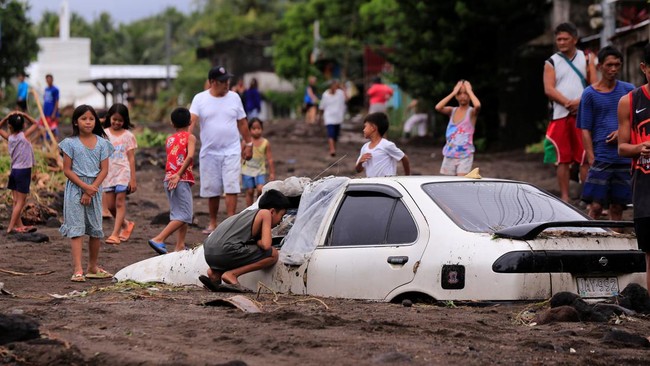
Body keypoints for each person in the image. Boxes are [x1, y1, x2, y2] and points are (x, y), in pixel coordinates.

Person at [189, 65, 253, 234]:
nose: (226, 84)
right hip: (209, 151)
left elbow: (242, 122)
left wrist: (249, 144)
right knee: (213, 189)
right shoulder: (200, 99)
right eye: (223, 81)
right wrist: (184, 141)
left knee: (232, 186)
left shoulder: (234, 97)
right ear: (212, 82)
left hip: (231, 150)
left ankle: (230, 222)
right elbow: (192, 121)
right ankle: (213, 223)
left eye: (227, 81)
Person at [577, 46, 634, 222]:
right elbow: (585, 128)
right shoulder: (589, 94)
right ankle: (590, 243)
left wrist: (622, 132)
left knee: (618, 207)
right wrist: (591, 157)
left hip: (624, 156)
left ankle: (616, 246)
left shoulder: (629, 90)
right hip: (601, 156)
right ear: (600, 66)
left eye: (617, 65)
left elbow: (638, 120)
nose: (613, 69)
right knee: (595, 206)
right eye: (609, 65)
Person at [59, 105, 114, 282]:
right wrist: (84, 187)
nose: (88, 122)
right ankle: (78, 269)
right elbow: (67, 170)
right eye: (84, 118)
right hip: (75, 189)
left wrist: (91, 190)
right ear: (76, 121)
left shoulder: (103, 143)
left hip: (95, 190)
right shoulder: (70, 143)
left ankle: (92, 267)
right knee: (76, 230)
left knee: (95, 230)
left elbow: (104, 170)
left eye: (91, 118)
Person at [543, 22, 596, 202]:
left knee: (584, 157)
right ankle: (565, 197)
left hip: (583, 114)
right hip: (559, 115)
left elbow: (594, 85)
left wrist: (580, 102)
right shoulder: (551, 62)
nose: (562, 42)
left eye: (565, 39)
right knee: (562, 158)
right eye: (559, 39)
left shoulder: (587, 58)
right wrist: (567, 102)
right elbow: (549, 89)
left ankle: (585, 197)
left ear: (575, 39)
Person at [199, 189, 290, 291]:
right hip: (225, 250)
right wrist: (259, 242)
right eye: (281, 216)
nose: (280, 222)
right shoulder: (265, 213)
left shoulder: (246, 214)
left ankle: (215, 273)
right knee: (273, 254)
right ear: (272, 211)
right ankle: (232, 275)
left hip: (209, 253)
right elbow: (266, 245)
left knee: (238, 250)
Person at [617, 43, 650, 292]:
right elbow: (622, 147)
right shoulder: (629, 101)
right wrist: (640, 148)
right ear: (644, 68)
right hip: (645, 188)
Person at [148, 107, 196, 254]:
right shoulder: (190, 137)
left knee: (178, 213)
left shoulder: (169, 139)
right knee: (186, 215)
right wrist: (179, 175)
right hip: (179, 178)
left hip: (168, 178)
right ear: (190, 121)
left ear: (172, 123)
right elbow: (190, 156)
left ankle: (180, 245)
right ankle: (159, 239)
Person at [102, 103, 137, 245]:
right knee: (110, 206)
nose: (116, 122)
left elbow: (131, 158)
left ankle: (115, 234)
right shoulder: (104, 134)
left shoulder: (128, 136)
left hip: (123, 172)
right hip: (109, 173)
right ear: (109, 117)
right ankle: (126, 224)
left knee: (119, 202)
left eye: (120, 120)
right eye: (114, 119)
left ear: (125, 121)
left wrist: (133, 179)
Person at [0, 111, 39, 234]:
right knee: (21, 202)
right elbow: (36, 123)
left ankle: (19, 225)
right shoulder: (23, 136)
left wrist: (6, 117)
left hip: (14, 171)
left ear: (9, 126)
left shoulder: (10, 138)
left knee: (16, 201)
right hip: (23, 172)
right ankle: (10, 227)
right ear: (23, 125)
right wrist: (24, 114)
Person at [435, 80, 481, 176]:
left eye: (466, 93)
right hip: (449, 154)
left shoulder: (471, 112)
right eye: (459, 93)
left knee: (460, 182)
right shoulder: (452, 111)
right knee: (448, 184)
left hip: (465, 155)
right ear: (456, 96)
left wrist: (470, 91)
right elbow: (438, 107)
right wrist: (453, 92)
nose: (463, 96)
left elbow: (477, 105)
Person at [356, 112, 410, 177]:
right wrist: (360, 163)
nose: (363, 130)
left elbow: (404, 158)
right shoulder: (365, 147)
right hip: (372, 184)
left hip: (387, 184)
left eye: (365, 126)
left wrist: (407, 177)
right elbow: (358, 170)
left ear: (373, 128)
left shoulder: (387, 145)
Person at [242, 117, 275, 207]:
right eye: (254, 128)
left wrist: (272, 173)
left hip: (260, 170)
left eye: (259, 128)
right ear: (249, 130)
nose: (256, 131)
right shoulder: (245, 142)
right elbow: (241, 156)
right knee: (249, 191)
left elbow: (270, 159)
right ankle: (249, 209)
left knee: (260, 189)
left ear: (262, 129)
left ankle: (257, 206)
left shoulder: (265, 143)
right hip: (247, 170)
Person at [318, 79, 347, 157]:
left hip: (338, 118)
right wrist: (319, 117)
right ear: (330, 86)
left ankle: (333, 147)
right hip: (329, 117)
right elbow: (322, 107)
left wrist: (343, 88)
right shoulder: (325, 95)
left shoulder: (340, 93)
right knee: (331, 133)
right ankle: (332, 149)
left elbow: (347, 98)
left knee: (335, 135)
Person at [41, 74, 60, 138]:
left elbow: (57, 102)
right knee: (45, 128)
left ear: (52, 80)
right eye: (47, 79)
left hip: (52, 112)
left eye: (49, 79)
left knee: (53, 128)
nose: (48, 81)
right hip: (46, 112)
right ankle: (47, 143)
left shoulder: (55, 90)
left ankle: (55, 142)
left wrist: (54, 113)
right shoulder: (46, 89)